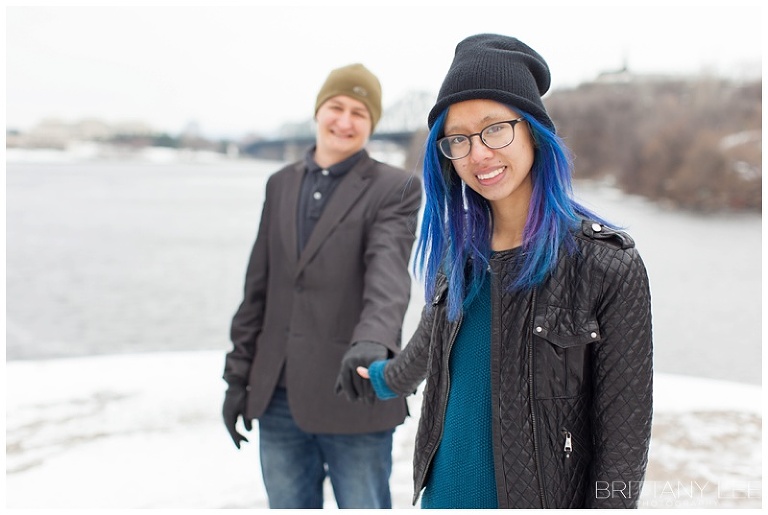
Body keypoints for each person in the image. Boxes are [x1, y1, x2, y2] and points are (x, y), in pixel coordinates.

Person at [343, 34, 654, 509]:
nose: (478, 154)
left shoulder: (605, 265)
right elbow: (427, 348)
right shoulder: (458, 254)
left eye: (495, 129)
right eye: (459, 139)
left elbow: (623, 449)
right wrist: (376, 376)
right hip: (442, 499)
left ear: (533, 131)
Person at [222, 63, 422, 509]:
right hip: (276, 396)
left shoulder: (396, 188)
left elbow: (388, 274)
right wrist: (236, 377)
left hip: (353, 391)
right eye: (337, 107)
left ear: (372, 124)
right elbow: (257, 290)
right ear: (318, 111)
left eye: (359, 113)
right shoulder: (279, 184)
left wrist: (373, 340)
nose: (345, 121)